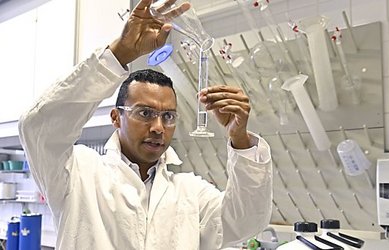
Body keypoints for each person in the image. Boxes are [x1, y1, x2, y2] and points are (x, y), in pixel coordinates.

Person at [18, 0, 273, 249]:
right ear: (116, 118)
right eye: (145, 113)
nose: (159, 127)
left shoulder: (190, 192)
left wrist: (240, 139)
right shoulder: (77, 173)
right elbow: (39, 127)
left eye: (168, 116)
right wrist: (120, 53)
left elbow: (245, 223)